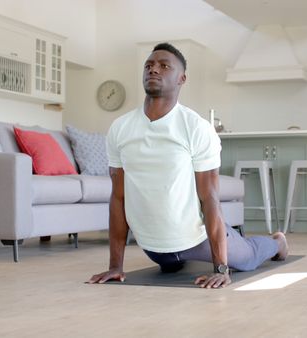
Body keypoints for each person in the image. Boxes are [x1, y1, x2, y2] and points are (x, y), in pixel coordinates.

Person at [87, 42, 288, 289]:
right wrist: (115, 267)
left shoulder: (196, 127)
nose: (153, 70)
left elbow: (210, 198)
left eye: (163, 66)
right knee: (170, 266)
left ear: (181, 78)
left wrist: (221, 268)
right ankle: (178, 258)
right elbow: (118, 198)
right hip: (154, 248)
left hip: (196, 239)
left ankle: (278, 242)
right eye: (148, 65)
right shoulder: (120, 128)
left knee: (247, 257)